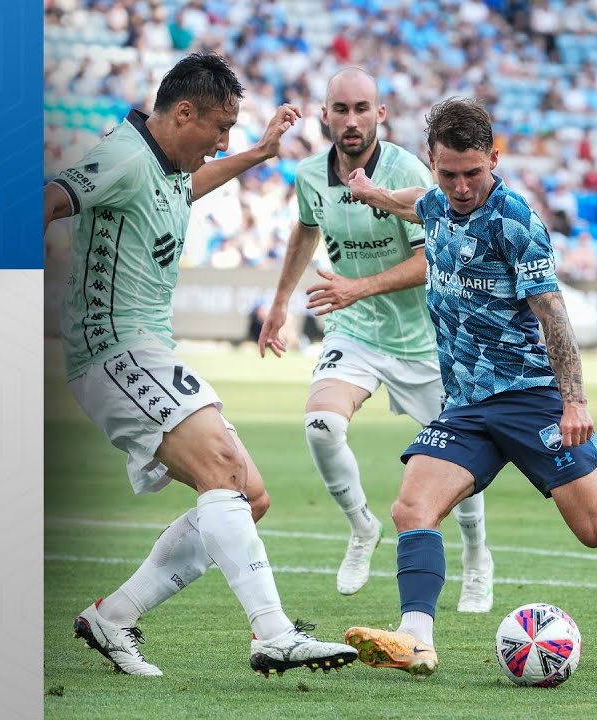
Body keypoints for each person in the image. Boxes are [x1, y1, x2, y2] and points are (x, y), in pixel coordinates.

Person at [340, 98, 597, 677]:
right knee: (411, 508)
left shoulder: (515, 221)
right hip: (466, 405)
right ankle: (415, 640)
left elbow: (554, 315)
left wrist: (574, 401)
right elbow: (415, 204)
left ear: (494, 159)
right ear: (433, 161)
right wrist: (373, 194)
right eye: (449, 174)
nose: (461, 187)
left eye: (473, 173)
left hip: (532, 398)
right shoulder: (437, 201)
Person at [44, 52, 357, 678]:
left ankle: (112, 617)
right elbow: (49, 199)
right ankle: (273, 633)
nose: (222, 142)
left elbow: (183, 189)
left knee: (249, 496)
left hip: (148, 351)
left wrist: (260, 154)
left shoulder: (161, 165)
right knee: (222, 469)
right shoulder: (123, 156)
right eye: (221, 128)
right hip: (113, 349)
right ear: (184, 112)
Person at [257, 68, 494, 612]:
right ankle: (362, 526)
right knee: (321, 425)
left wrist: (356, 287)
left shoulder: (407, 171)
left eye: (362, 108)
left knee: (458, 462)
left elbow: (430, 261)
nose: (352, 120)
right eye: (341, 109)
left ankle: (477, 556)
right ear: (325, 115)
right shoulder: (310, 174)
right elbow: (306, 228)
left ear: (380, 114)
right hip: (356, 330)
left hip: (425, 341)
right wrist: (280, 302)